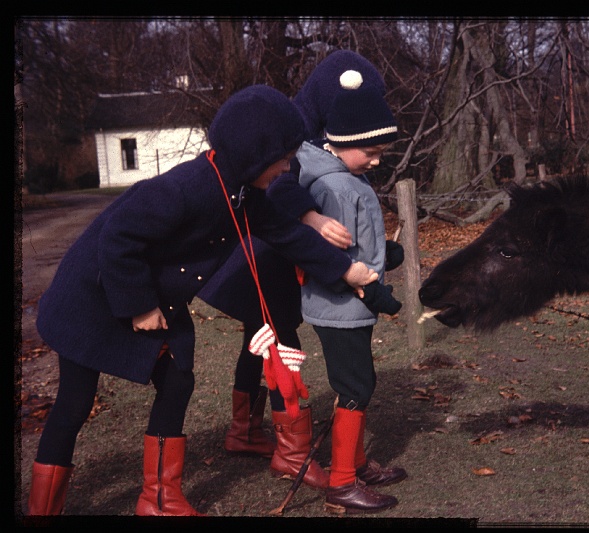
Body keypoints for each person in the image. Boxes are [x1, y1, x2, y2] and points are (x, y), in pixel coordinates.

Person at [26, 84, 378, 517]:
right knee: (75, 404)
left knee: (177, 379)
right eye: (283, 157)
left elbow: (288, 234)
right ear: (253, 153)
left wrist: (347, 270)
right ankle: (43, 510)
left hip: (157, 296)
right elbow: (118, 236)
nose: (288, 167)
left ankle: (158, 498)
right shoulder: (185, 188)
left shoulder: (244, 192)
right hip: (93, 295)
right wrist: (137, 304)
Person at [198, 50, 397, 492]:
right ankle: (288, 452)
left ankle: (245, 431)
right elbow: (282, 182)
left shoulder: (325, 139)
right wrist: (311, 217)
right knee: (275, 337)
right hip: (267, 250)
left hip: (274, 248)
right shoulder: (297, 136)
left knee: (263, 334)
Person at [293, 69, 407, 514]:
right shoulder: (336, 185)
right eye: (371, 151)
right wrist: (375, 292)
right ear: (339, 141)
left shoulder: (346, 175)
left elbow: (356, 241)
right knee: (355, 385)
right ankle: (342, 481)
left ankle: (357, 462)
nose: (376, 160)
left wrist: (386, 253)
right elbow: (331, 259)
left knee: (361, 381)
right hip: (340, 306)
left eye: (381, 152)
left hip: (350, 306)